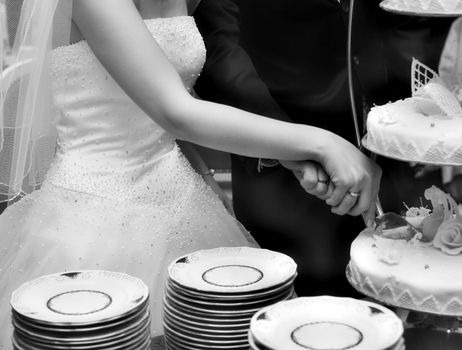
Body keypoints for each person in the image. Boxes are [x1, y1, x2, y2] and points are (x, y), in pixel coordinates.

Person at [0, 0, 381, 347]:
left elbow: (170, 106)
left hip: (182, 199)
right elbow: (175, 111)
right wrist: (320, 143)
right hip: (93, 215)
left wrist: (285, 155)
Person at [193, 0, 454, 297]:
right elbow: (218, 46)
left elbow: (412, 23)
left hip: (397, 163)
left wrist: (417, 126)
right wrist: (290, 147)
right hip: (288, 185)